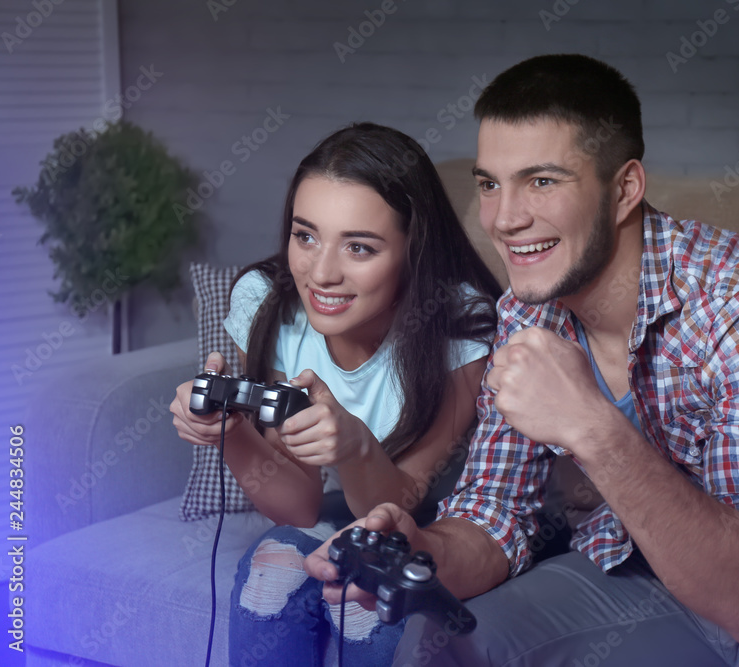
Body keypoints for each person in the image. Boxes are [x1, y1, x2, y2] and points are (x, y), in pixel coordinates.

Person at [303, 55, 739, 666]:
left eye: (541, 181)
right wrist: (419, 550)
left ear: (625, 189)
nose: (504, 217)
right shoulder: (527, 312)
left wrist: (594, 427)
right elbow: (493, 515)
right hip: (649, 575)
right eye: (489, 184)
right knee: (441, 639)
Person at [169, 122, 503, 667]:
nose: (320, 273)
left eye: (360, 247)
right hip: (340, 506)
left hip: (446, 517)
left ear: (412, 252)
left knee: (368, 603)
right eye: (306, 236)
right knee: (269, 577)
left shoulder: (460, 328)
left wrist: (354, 446)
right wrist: (230, 435)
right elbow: (298, 506)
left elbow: (398, 503)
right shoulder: (269, 304)